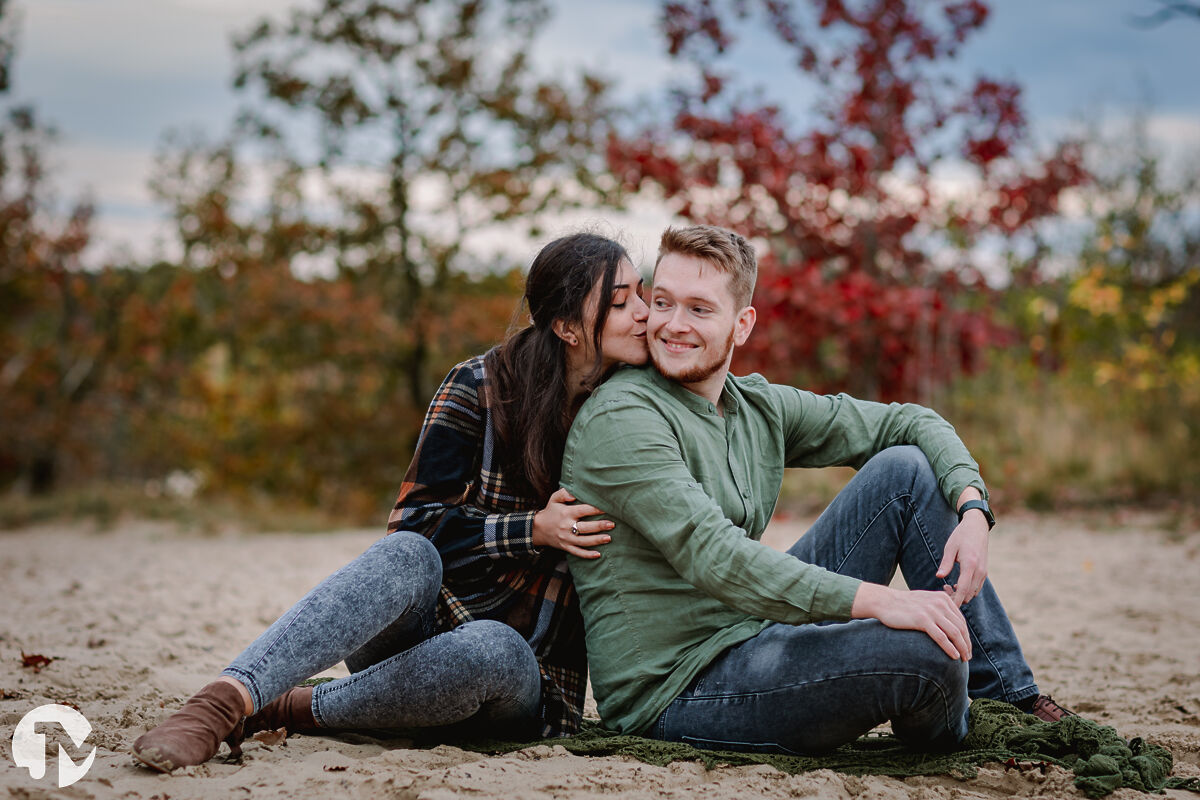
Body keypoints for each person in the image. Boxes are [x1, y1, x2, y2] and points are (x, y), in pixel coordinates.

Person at [131, 232, 650, 772]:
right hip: (419, 636)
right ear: (567, 328)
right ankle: (219, 705)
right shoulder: (482, 385)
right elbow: (417, 524)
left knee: (491, 649)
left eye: (643, 293)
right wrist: (532, 530)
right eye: (620, 302)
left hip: (520, 676)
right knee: (407, 553)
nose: (643, 312)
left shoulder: (639, 409)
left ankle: (300, 705)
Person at [561, 224, 1073, 755]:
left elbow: (907, 421)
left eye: (699, 309)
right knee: (931, 655)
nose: (671, 325)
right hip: (679, 687)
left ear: (742, 326)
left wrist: (972, 509)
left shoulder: (753, 405)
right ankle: (948, 719)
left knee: (906, 472)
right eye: (662, 301)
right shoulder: (623, 418)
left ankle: (1011, 703)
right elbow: (715, 556)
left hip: (753, 627)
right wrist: (884, 604)